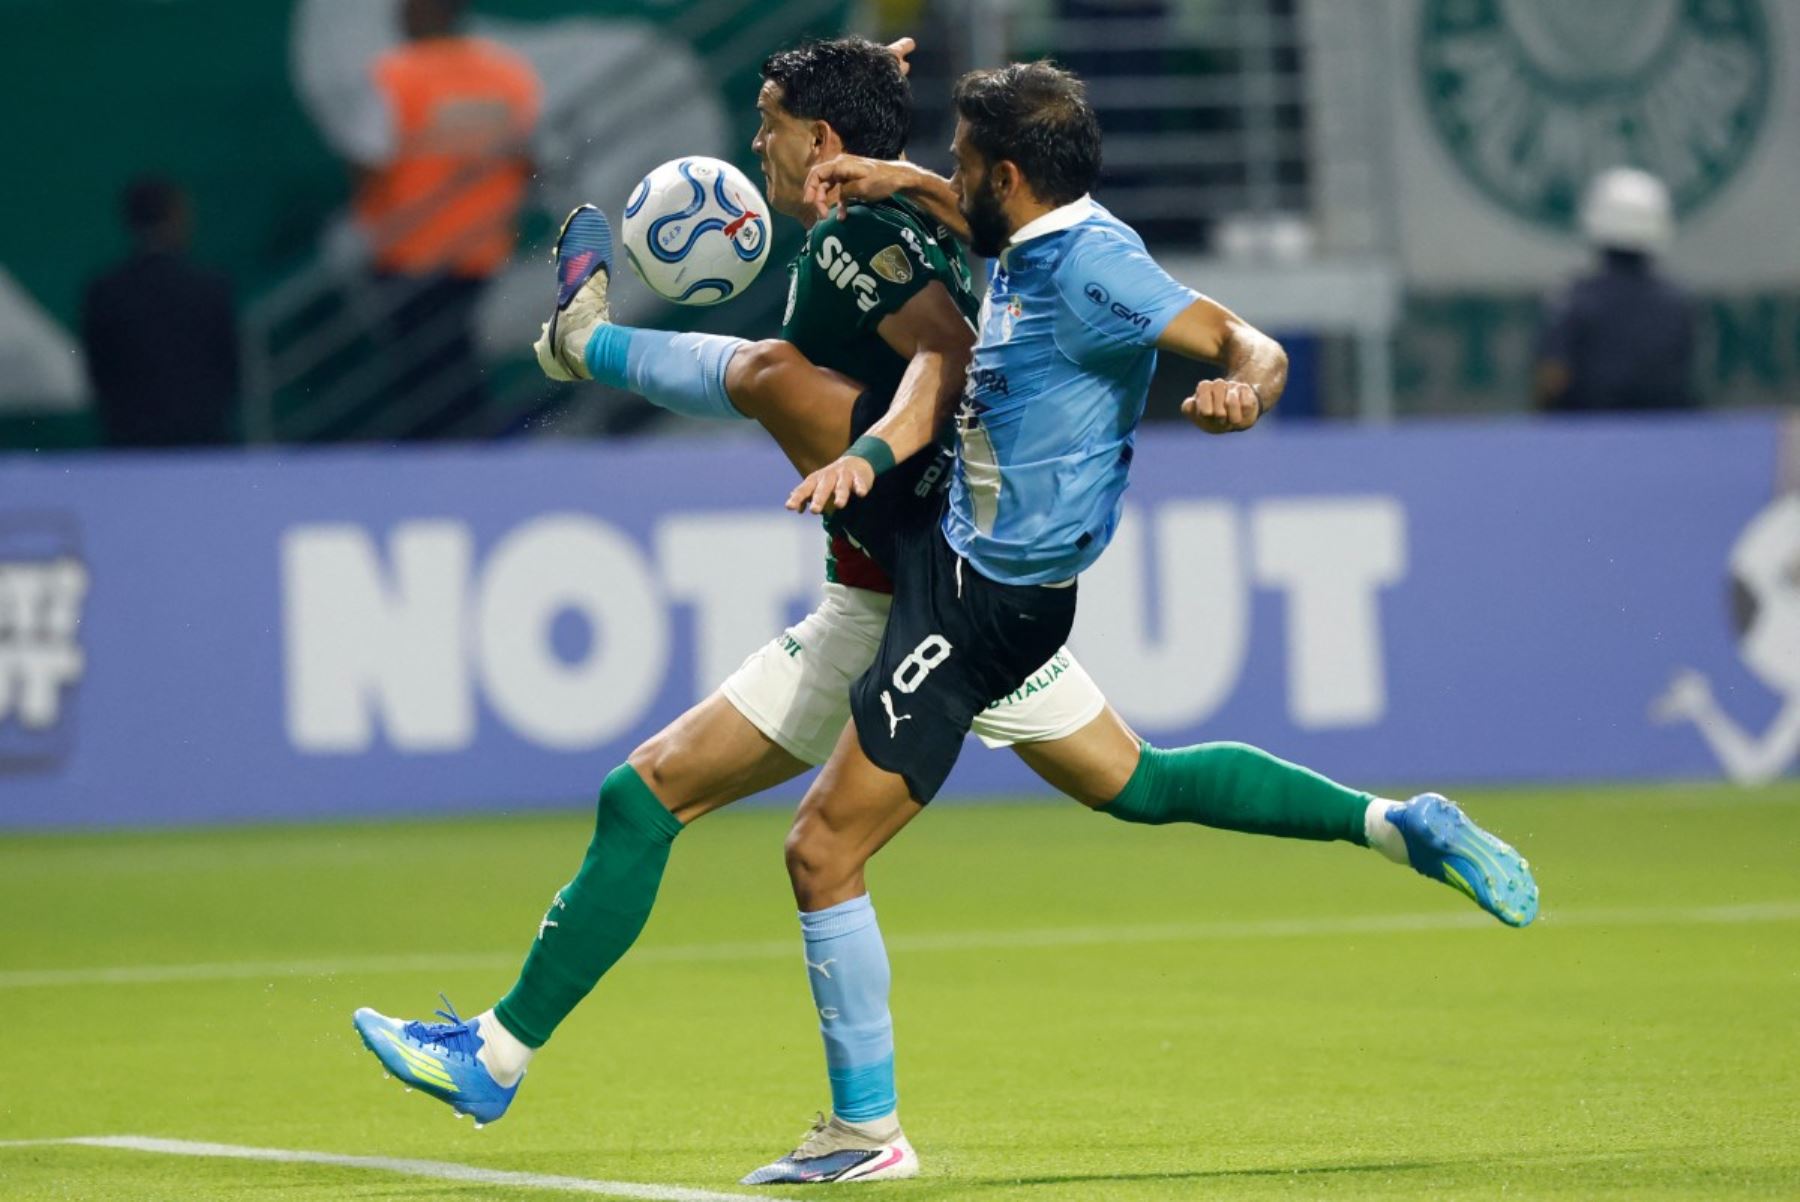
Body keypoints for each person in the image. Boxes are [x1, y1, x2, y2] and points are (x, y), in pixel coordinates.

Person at [351, 44, 1537, 1183]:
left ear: (1004, 177)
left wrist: (1241, 385)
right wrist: (890, 156)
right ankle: (1397, 822)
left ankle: (860, 1128)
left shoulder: (1079, 265)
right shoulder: (1002, 225)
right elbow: (961, 245)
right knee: (1138, 781)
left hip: (959, 598)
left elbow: (1000, 351)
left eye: (962, 158)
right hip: (940, 578)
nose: (946, 171)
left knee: (819, 841)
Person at [348, 0, 540, 438]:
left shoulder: (394, 74)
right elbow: (530, 159)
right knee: (461, 364)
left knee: (421, 374)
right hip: (485, 250)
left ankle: (438, 462)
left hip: (410, 251)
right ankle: (469, 452)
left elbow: (367, 162)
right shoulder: (504, 74)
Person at [81, 177, 238, 448]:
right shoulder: (210, 287)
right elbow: (229, 367)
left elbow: (98, 371)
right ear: (177, 216)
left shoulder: (105, 290)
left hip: (129, 440)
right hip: (200, 438)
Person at [1535, 167, 1697, 413]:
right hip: (1665, 437)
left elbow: (1553, 378)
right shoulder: (1677, 301)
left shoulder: (1574, 298)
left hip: (1587, 438)